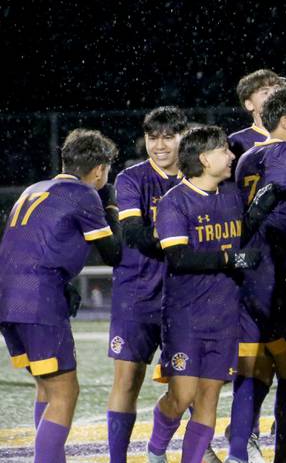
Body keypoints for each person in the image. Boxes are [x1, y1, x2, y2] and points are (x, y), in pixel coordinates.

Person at [145, 126, 278, 463]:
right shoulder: (175, 200)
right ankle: (156, 450)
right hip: (186, 317)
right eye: (223, 150)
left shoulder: (231, 194)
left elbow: (236, 235)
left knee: (208, 400)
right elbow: (178, 256)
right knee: (182, 396)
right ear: (204, 159)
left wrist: (257, 214)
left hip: (225, 315)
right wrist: (228, 259)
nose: (231, 155)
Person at [0, 129, 122, 463]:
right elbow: (114, 253)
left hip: (8, 294)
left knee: (47, 386)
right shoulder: (84, 194)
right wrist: (111, 206)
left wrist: (61, 282)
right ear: (98, 170)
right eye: (106, 171)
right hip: (38, 299)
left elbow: (26, 244)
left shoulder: (33, 188)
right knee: (65, 391)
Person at [228, 88, 286, 463]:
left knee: (255, 366)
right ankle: (282, 456)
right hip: (285, 273)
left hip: (249, 274)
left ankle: (238, 452)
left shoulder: (246, 157)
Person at [107, 107, 188, 462]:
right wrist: (181, 241)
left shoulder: (197, 176)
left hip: (186, 296)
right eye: (153, 137)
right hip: (137, 293)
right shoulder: (131, 179)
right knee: (127, 380)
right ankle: (117, 459)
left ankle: (159, 451)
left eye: (168, 136)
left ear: (184, 137)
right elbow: (135, 234)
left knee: (190, 386)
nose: (159, 145)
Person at [228, 68, 286, 159]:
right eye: (265, 92)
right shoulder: (237, 142)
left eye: (277, 90)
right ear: (249, 104)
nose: (274, 96)